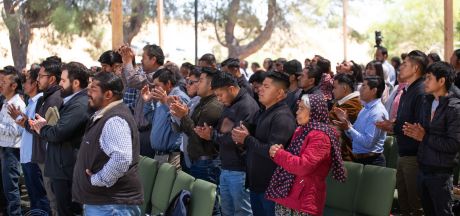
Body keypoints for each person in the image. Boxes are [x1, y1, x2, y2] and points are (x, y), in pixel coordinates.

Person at [72, 72, 143, 215]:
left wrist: (97, 180)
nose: (88, 93)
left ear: (108, 94)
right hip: (105, 203)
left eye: (93, 89)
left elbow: (121, 158)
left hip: (111, 206)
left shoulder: (115, 120)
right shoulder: (106, 115)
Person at [266, 94, 346, 216]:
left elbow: (303, 166)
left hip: (303, 201)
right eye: (298, 108)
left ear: (314, 111)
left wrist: (279, 154)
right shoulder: (303, 130)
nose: (297, 112)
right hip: (289, 195)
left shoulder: (321, 136)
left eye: (302, 108)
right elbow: (294, 157)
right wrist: (280, 152)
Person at [30, 62, 91, 215]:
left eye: (63, 81)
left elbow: (58, 133)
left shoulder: (80, 104)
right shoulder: (73, 101)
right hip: (61, 168)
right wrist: (45, 126)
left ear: (76, 83)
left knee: (67, 211)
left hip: (67, 170)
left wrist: (42, 128)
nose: (60, 84)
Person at [232, 72, 296, 216]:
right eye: (261, 86)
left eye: (266, 87)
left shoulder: (283, 117)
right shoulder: (262, 112)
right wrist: (240, 136)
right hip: (257, 185)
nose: (260, 89)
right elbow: (251, 141)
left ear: (280, 93)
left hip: (271, 188)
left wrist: (247, 139)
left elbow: (273, 153)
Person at [195, 72, 259, 216]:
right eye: (216, 95)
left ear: (231, 89)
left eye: (220, 95)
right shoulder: (230, 102)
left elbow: (236, 139)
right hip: (226, 167)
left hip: (240, 170)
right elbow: (223, 130)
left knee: (241, 212)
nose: (219, 99)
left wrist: (212, 135)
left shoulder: (246, 105)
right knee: (227, 211)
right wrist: (213, 132)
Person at [403, 61, 460, 215]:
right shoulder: (427, 102)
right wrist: (414, 131)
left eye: (429, 78)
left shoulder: (454, 108)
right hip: (423, 168)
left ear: (441, 81)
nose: (425, 82)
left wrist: (423, 137)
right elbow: (424, 132)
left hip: (440, 173)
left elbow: (454, 144)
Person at [376, 50, 428, 215]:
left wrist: (393, 127)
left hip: (414, 156)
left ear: (415, 69)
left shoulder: (420, 92)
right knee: (404, 203)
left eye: (405, 65)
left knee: (415, 204)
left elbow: (418, 126)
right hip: (403, 152)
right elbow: (404, 120)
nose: (400, 68)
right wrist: (393, 124)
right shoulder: (407, 90)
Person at [170, 67, 223, 215]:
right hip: (196, 160)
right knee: (202, 204)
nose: (197, 84)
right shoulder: (202, 102)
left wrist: (184, 116)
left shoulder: (213, 106)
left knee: (209, 205)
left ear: (211, 85)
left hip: (206, 162)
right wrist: (181, 115)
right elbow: (187, 129)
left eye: (200, 81)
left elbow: (197, 134)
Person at [7, 67, 51, 214]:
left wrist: (24, 121)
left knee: (40, 198)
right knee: (34, 198)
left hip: (34, 157)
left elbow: (35, 127)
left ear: (34, 84)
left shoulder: (39, 102)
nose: (23, 85)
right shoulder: (31, 103)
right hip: (26, 157)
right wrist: (20, 120)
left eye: (26, 81)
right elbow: (23, 129)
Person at [24, 57, 62, 214]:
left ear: (52, 78)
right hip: (41, 157)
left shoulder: (54, 98)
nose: (37, 80)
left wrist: (29, 124)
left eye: (41, 76)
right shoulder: (46, 97)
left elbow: (50, 130)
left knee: (53, 202)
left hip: (49, 159)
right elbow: (35, 125)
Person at [120, 44, 165, 159]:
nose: (141, 60)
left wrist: (128, 61)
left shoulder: (159, 76)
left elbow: (133, 80)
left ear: (153, 59)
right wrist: (129, 62)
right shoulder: (149, 75)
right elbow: (128, 82)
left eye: (144, 58)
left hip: (148, 131)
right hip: (141, 130)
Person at [333, 76, 389, 166]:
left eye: (364, 86)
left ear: (374, 91)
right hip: (359, 159)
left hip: (372, 161)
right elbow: (353, 135)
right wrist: (347, 124)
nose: (360, 89)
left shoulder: (377, 112)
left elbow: (368, 143)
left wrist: (349, 128)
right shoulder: (365, 109)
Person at [141, 68, 190, 168]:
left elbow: (180, 124)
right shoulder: (163, 98)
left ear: (168, 84)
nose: (154, 89)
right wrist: (148, 101)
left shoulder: (179, 97)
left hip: (171, 156)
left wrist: (165, 103)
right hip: (160, 155)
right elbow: (151, 118)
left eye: (157, 85)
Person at [0, 68, 26, 216]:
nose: (0, 85)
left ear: (14, 86)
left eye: (4, 82)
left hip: (12, 151)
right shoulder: (6, 102)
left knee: (11, 190)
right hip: (4, 149)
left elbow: (16, 131)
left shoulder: (17, 105)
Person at [329, 73, 362, 161]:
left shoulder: (353, 104)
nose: (332, 91)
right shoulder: (342, 101)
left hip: (347, 154)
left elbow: (328, 119)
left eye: (335, 88)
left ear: (344, 88)